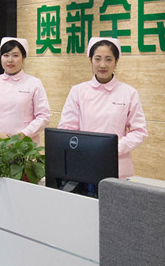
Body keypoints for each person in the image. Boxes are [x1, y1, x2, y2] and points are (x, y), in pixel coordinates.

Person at [58, 37, 147, 178]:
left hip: (117, 162)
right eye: (97, 59)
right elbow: (66, 129)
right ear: (91, 60)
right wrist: (85, 147)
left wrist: (113, 148)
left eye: (109, 59)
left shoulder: (129, 93)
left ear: (116, 61)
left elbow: (139, 131)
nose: (103, 65)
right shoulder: (78, 91)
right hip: (84, 160)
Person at [0, 37, 51, 149]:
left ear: (23, 57)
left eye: (15, 55)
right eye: (6, 55)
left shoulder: (34, 83)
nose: (10, 60)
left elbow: (44, 116)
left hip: (25, 146)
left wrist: (24, 134)